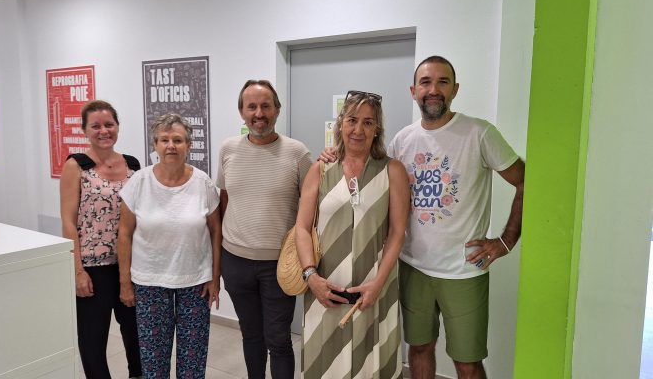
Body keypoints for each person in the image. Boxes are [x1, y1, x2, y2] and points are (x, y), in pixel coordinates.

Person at [321, 56, 525, 379]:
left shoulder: (479, 133)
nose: (433, 90)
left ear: (455, 90)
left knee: (467, 363)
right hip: (413, 268)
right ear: (413, 90)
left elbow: (524, 180)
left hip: (464, 271)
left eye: (443, 82)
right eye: (426, 83)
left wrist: (505, 241)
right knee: (418, 350)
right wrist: (333, 153)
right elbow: (368, 168)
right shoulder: (403, 140)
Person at [295, 91, 409, 378]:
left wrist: (378, 284)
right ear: (341, 124)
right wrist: (311, 278)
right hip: (326, 288)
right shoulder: (320, 169)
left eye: (368, 123)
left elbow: (397, 232)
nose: (358, 130)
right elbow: (302, 227)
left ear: (377, 129)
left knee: (372, 361)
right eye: (352, 120)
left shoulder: (392, 171)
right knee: (326, 360)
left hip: (375, 286)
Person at [216, 80, 311, 379]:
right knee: (250, 335)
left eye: (265, 105)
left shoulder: (297, 153)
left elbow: (312, 209)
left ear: (277, 110)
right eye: (251, 106)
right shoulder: (228, 149)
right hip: (235, 260)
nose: (259, 113)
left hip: (279, 265)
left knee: (279, 340)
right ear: (242, 111)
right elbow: (224, 201)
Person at [117, 113, 222, 378]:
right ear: (155, 145)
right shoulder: (139, 183)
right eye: (164, 140)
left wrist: (215, 278)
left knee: (193, 360)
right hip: (150, 282)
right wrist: (125, 283)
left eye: (177, 140)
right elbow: (125, 234)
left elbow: (215, 232)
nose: (171, 145)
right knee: (153, 361)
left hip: (195, 281)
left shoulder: (203, 183)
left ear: (188, 144)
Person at [59, 100, 143, 379]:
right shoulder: (76, 166)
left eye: (109, 124)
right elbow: (69, 222)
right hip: (93, 269)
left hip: (130, 266)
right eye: (96, 126)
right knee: (93, 341)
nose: (104, 131)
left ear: (117, 127)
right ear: (85, 130)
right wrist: (77, 271)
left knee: (136, 335)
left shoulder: (133, 165)